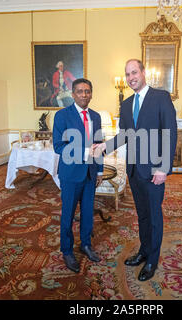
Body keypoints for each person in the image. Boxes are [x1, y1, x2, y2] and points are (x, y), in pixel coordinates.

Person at [92, 59, 177, 282]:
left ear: (143, 72)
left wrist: (163, 168)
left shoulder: (161, 98)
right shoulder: (126, 104)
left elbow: (170, 133)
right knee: (142, 215)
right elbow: (125, 135)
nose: (131, 78)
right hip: (134, 170)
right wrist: (104, 146)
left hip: (154, 170)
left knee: (155, 216)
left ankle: (152, 260)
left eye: (134, 72)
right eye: (127, 74)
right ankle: (144, 251)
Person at [52, 78, 104, 273]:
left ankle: (86, 244)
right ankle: (66, 250)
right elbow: (59, 146)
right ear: (73, 94)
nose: (84, 95)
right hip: (71, 174)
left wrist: (99, 170)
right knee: (68, 214)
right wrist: (84, 153)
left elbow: (98, 145)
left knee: (88, 213)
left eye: (88, 91)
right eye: (80, 91)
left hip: (91, 173)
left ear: (91, 94)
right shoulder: (62, 116)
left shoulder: (96, 117)